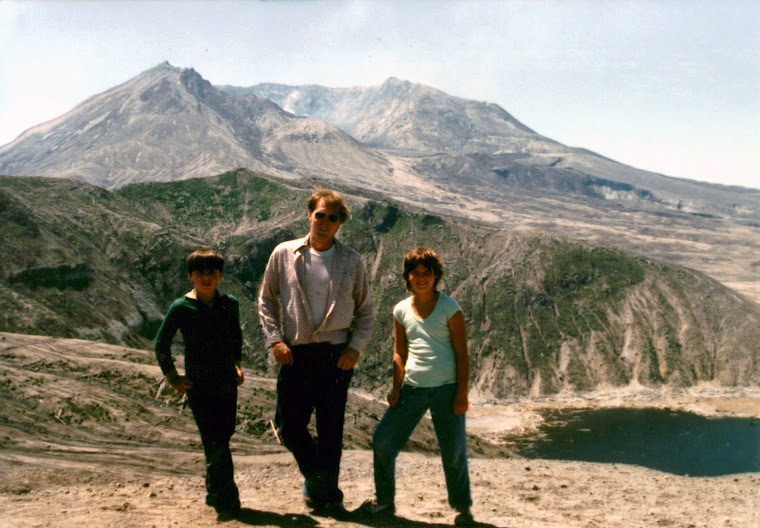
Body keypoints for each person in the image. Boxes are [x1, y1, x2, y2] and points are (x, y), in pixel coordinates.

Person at [257, 188, 375, 518]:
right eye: (320, 215)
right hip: (295, 353)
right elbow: (266, 299)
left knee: (330, 431)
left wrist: (355, 348)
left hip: (336, 356)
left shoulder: (351, 261)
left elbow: (366, 311)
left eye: (332, 218)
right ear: (309, 215)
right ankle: (323, 486)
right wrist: (275, 340)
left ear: (340, 224)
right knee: (289, 426)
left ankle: (326, 498)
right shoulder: (284, 254)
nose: (324, 222)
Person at [360, 247, 474, 525]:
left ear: (436, 276)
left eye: (427, 273)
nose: (421, 278)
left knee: (454, 451)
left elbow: (462, 354)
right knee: (383, 441)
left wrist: (462, 394)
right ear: (407, 277)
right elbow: (399, 353)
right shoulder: (400, 310)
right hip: (412, 388)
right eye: (415, 273)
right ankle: (384, 500)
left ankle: (462, 508)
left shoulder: (450, 307)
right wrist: (396, 388)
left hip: (446, 389)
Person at [154, 248, 245, 519]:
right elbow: (161, 343)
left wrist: (237, 364)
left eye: (212, 272)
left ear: (220, 275)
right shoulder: (180, 308)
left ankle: (213, 490)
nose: (206, 277)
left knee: (223, 435)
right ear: (190, 276)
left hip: (226, 381)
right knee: (214, 439)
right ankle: (227, 501)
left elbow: (235, 336)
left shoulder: (230, 303)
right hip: (199, 384)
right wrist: (172, 377)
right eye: (200, 273)